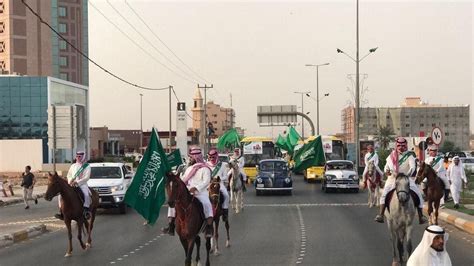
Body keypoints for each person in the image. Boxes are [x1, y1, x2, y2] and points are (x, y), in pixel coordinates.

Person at [162, 147, 214, 237]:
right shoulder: (189, 168)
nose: (190, 159)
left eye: (191, 157)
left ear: (196, 157)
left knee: (207, 204)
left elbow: (206, 181)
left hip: (200, 193)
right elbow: (182, 180)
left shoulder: (205, 169)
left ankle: (209, 227)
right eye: (190, 157)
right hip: (187, 193)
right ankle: (171, 225)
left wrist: (196, 188)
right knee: (173, 203)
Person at [375, 137, 427, 224]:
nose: (401, 147)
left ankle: (421, 216)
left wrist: (407, 175)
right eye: (399, 145)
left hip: (406, 178)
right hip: (392, 178)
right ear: (396, 146)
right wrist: (386, 171)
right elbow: (386, 167)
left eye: (403, 145)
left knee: (418, 194)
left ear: (406, 146)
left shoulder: (410, 155)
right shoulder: (391, 155)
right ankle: (381, 215)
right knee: (384, 194)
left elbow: (412, 167)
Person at [55, 151, 91, 220]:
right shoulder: (73, 166)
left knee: (86, 195)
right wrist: (70, 180)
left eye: (80, 156)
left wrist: (77, 182)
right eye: (77, 156)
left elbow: (86, 177)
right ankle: (61, 211)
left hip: (82, 184)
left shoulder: (87, 166)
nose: (78, 158)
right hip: (71, 183)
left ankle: (86, 210)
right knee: (60, 195)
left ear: (83, 157)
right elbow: (69, 175)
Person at [206, 148, 230, 222]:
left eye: (213, 157)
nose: (212, 159)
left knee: (226, 195)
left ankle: (225, 211)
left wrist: (219, 179)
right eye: (210, 157)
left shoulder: (222, 165)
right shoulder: (206, 165)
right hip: (209, 184)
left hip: (219, 183)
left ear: (216, 156)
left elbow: (226, 176)